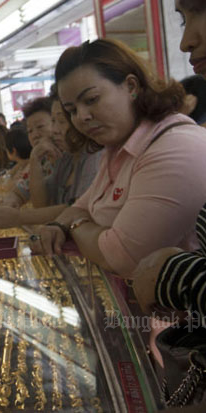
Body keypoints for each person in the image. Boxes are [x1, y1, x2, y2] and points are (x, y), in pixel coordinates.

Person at [34, 39, 206, 280]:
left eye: (91, 99)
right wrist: (59, 225)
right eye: (71, 110)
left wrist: (75, 226)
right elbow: (80, 206)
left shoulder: (175, 147)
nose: (82, 117)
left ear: (131, 86)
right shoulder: (119, 148)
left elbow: (121, 257)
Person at [132, 0, 206, 316]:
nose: (186, 41)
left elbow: (123, 251)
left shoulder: (175, 142)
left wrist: (172, 273)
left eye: (200, 11)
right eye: (182, 20)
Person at [0, 93, 102, 228]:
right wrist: (35, 160)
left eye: (41, 127)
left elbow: (76, 209)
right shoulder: (60, 158)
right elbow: (32, 198)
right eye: (30, 131)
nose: (35, 135)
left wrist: (19, 217)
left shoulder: (93, 156)